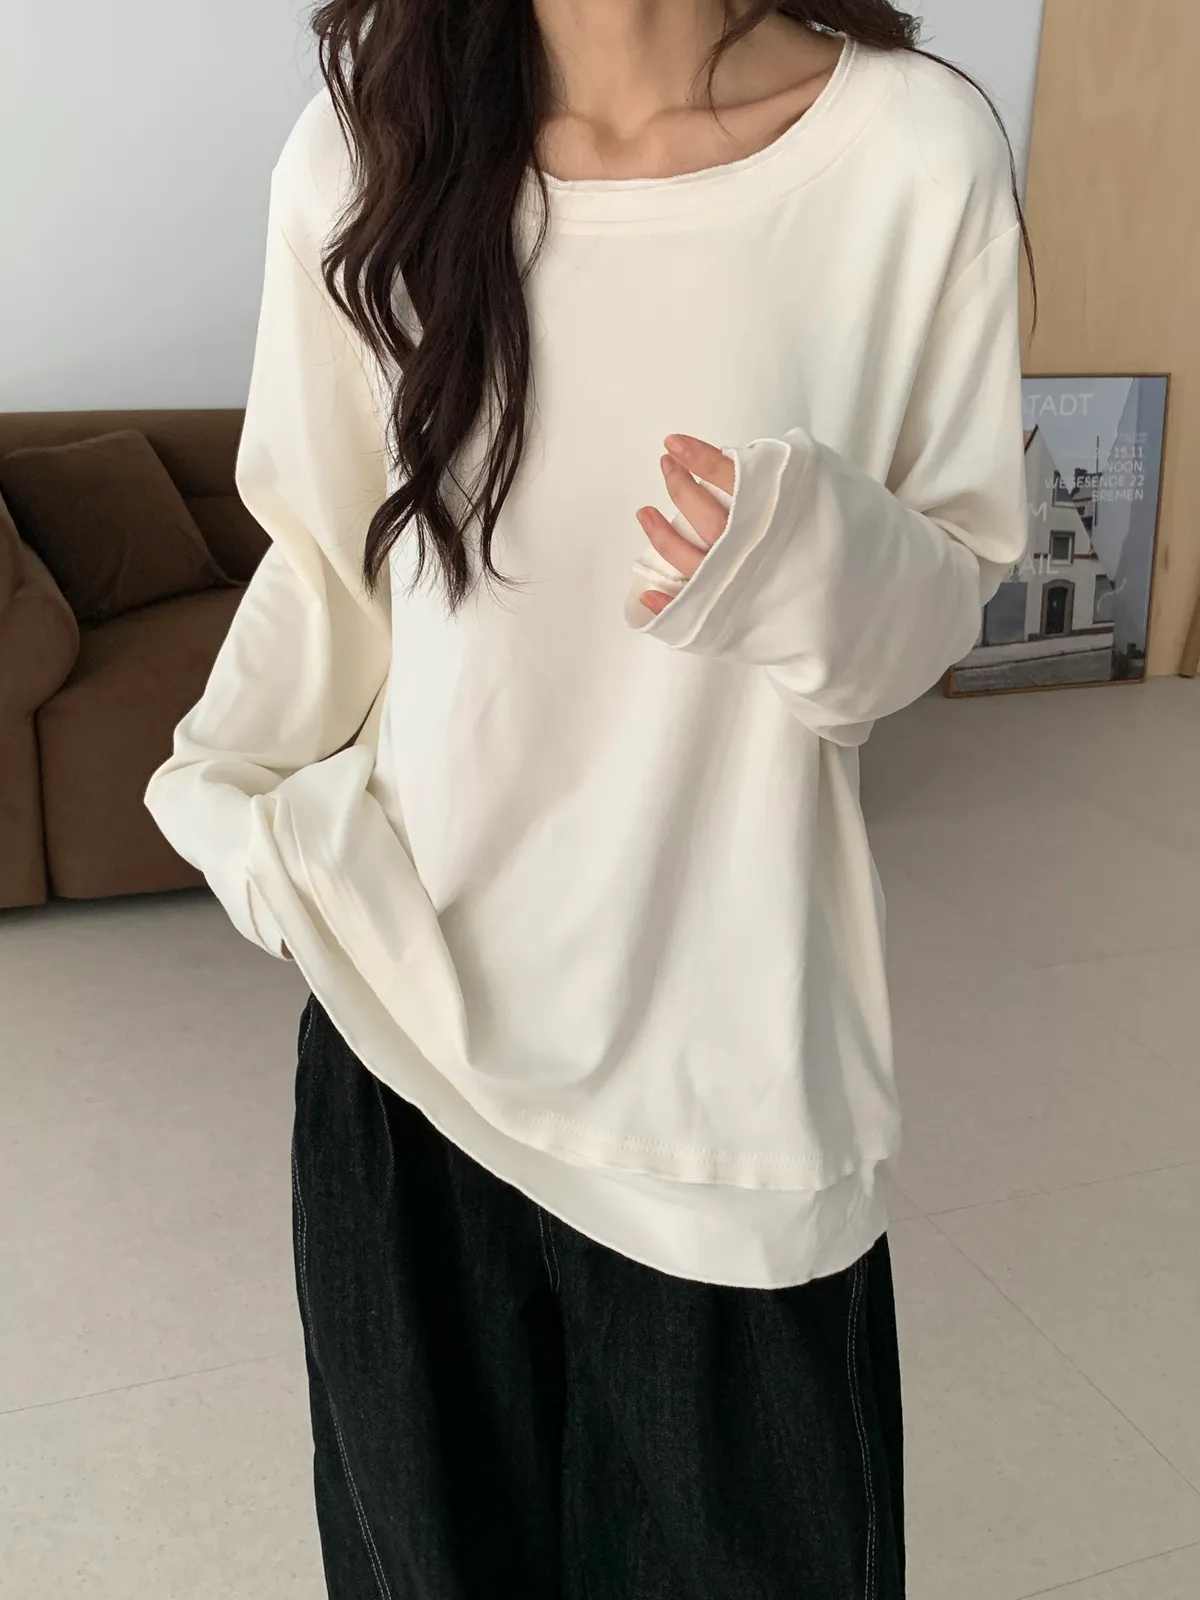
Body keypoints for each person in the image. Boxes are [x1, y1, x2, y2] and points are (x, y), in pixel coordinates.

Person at [145, 2, 1030, 1594]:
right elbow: (328, 567)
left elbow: (942, 599)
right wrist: (236, 812)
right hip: (405, 1052)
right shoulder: (362, 157)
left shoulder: (910, 153)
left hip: (728, 1103)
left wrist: (810, 557)